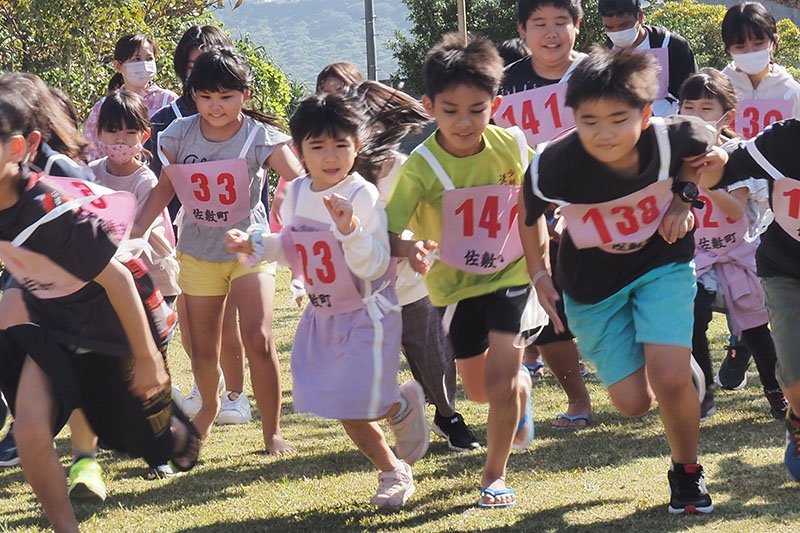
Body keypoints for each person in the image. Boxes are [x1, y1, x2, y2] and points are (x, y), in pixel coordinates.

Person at [0, 72, 199, 533]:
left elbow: (117, 281)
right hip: (50, 323)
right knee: (29, 431)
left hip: (107, 322)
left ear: (18, 149)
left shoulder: (50, 210)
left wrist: (149, 362)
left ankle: (164, 432)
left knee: (161, 442)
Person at [521, 47, 717, 514]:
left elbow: (706, 154)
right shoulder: (555, 163)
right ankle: (675, 375)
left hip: (661, 265)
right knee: (633, 404)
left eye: (618, 118)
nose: (603, 133)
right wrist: (538, 273)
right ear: (573, 118)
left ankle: (687, 473)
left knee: (669, 376)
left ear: (647, 114)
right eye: (589, 121)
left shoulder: (675, 138)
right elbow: (528, 214)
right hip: (592, 286)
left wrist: (682, 201)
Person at [226, 92, 430, 509]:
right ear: (299, 150)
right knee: (340, 403)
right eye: (317, 147)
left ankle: (395, 409)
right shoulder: (298, 191)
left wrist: (351, 228)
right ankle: (392, 462)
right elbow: (294, 245)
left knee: (356, 397)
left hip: (367, 312)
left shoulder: (362, 196)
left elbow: (373, 264)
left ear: (357, 145)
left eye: (341, 144)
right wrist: (256, 245)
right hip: (324, 314)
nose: (331, 156)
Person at [386, 34, 535, 509]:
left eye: (477, 108)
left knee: (503, 375)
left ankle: (494, 475)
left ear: (495, 102)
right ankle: (519, 393)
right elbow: (387, 233)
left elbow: (537, 202)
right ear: (430, 106)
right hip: (452, 287)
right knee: (476, 390)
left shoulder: (512, 144)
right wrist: (410, 248)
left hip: (511, 276)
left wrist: (548, 259)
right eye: (451, 110)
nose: (465, 122)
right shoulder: (420, 168)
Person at [132, 47, 302, 453]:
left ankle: (272, 432)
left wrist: (296, 198)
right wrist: (133, 233)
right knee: (203, 348)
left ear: (245, 94)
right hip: (197, 251)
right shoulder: (177, 134)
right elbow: (165, 189)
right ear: (193, 96)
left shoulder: (261, 136)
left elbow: (299, 179)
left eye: (226, 96)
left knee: (258, 337)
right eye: (206, 97)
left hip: (251, 248)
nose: (216, 106)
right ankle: (207, 411)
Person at [355, 80, 480, 452]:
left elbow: (428, 215)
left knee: (433, 356)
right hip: (360, 290)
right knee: (371, 366)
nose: (365, 131)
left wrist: (416, 245)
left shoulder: (405, 167)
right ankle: (401, 417)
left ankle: (448, 415)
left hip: (410, 282)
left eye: (371, 121)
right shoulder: (338, 169)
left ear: (385, 124)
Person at [145, 25, 254, 427]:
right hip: (185, 231)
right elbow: (163, 185)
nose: (204, 73)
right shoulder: (168, 123)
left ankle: (236, 395)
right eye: (193, 67)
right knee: (192, 320)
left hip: (234, 238)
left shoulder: (249, 126)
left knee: (231, 321)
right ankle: (205, 387)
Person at [498, 0, 593, 429]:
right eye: (539, 24)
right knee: (547, 306)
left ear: (577, 25)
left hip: (602, 206)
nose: (550, 33)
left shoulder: (601, 74)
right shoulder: (506, 85)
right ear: (522, 29)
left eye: (560, 22)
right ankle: (579, 401)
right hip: (536, 211)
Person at [678, 69, 787, 422]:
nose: (696, 116)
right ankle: (702, 392)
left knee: (754, 327)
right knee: (693, 317)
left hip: (737, 255)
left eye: (706, 108)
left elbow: (737, 210)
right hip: (696, 257)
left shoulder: (734, 155)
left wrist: (707, 185)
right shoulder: (672, 158)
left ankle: (775, 391)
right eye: (688, 107)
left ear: (727, 115)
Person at [696, 118, 800, 482]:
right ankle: (797, 415)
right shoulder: (786, 140)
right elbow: (725, 167)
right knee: (796, 375)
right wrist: (706, 165)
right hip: (787, 270)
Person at [716, 2, 800, 386]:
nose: (749, 49)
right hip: (732, 191)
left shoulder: (791, 91)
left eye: (757, 41)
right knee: (749, 278)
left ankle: (744, 344)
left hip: (777, 199)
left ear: (774, 42)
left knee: (759, 275)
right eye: (739, 44)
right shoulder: (720, 86)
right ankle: (744, 341)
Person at [83, 34, 178, 160]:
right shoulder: (103, 106)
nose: (144, 64)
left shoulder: (169, 100)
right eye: (136, 59)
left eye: (149, 58)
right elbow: (89, 152)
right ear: (118, 66)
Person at [598, 0, 697, 117]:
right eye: (609, 27)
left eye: (624, 25)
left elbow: (692, 93)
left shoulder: (671, 45)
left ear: (640, 17)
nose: (617, 32)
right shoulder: (604, 55)